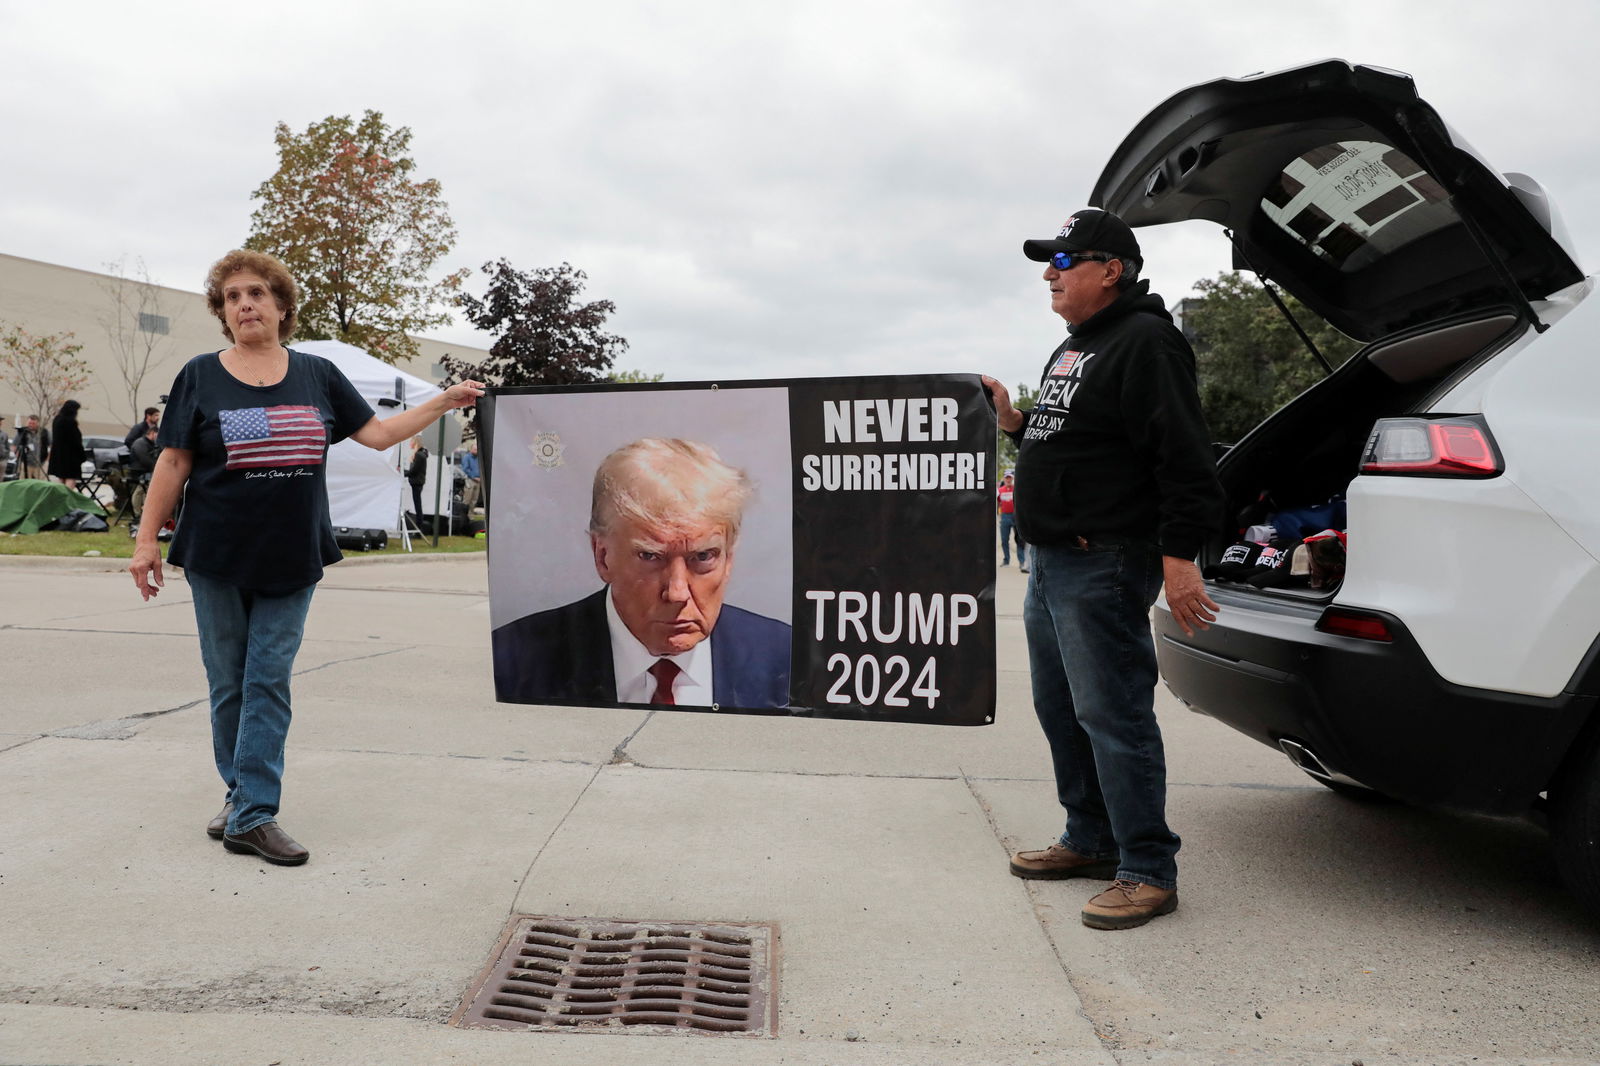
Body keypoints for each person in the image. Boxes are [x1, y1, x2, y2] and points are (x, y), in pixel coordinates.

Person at [127, 249, 484, 868]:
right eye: (232, 296)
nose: (244, 304)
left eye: (256, 293)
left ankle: (254, 813)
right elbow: (174, 461)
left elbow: (378, 435)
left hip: (292, 554)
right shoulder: (199, 376)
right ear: (222, 311)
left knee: (268, 678)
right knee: (228, 684)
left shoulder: (316, 373)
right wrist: (143, 541)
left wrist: (443, 401)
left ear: (281, 305)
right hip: (216, 553)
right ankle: (242, 797)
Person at [983, 208, 1223, 931]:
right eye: (1046, 262)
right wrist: (1016, 425)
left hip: (1105, 561)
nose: (1050, 274)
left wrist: (1179, 560)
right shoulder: (1076, 348)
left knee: (1113, 715)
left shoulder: (1147, 342)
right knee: (1061, 710)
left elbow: (1184, 459)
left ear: (1111, 268)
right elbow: (1079, 445)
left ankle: (1147, 868)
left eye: (1064, 260)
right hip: (1051, 563)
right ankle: (1088, 839)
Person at [492, 437, 791, 710]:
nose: (676, 593)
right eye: (650, 556)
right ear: (602, 556)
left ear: (729, 560)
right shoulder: (515, 660)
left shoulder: (786, 658)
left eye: (702, 557)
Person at [46, 400, 86, 490]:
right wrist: (82, 455)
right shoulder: (70, 422)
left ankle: (61, 498)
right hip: (71, 457)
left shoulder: (57, 420)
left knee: (61, 478)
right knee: (71, 478)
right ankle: (67, 498)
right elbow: (75, 441)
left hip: (59, 455)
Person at [128, 425, 160, 520]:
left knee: (144, 489)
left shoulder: (149, 444)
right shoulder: (140, 444)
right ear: (152, 433)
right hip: (138, 472)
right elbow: (146, 460)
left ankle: (142, 513)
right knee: (142, 490)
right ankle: (138, 513)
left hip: (144, 471)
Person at [997, 470, 1026, 568]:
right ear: (1004, 478)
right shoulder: (1000, 490)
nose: (1008, 480)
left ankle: (1021, 562)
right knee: (1004, 539)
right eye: (1007, 478)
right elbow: (996, 503)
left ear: (1012, 478)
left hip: (1016, 516)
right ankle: (1006, 560)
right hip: (1005, 516)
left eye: (1010, 478)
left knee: (1019, 539)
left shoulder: (1016, 489)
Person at [405, 436, 429, 518]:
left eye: (411, 441)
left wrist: (403, 473)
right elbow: (414, 470)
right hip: (417, 482)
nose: (410, 443)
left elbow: (414, 471)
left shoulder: (419, 455)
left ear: (415, 443)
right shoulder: (421, 454)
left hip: (417, 482)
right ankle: (419, 523)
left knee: (417, 505)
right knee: (417, 504)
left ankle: (419, 524)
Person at [459, 438, 482, 513]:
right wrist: (474, 477)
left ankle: (470, 514)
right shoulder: (467, 457)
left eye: (477, 450)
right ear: (471, 449)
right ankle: (463, 515)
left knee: (474, 500)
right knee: (467, 499)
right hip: (470, 480)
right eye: (475, 449)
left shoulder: (479, 458)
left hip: (478, 481)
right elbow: (465, 469)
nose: (476, 451)